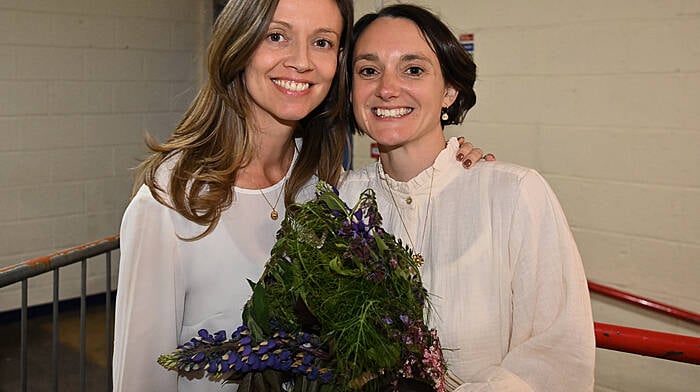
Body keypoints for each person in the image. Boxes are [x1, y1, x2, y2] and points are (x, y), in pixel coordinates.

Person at [112, 0, 489, 391]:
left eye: (322, 42)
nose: (302, 61)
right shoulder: (172, 201)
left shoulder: (327, 186)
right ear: (238, 44)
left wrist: (455, 168)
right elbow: (141, 379)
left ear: (338, 60)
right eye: (277, 36)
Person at [338, 4, 596, 391]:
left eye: (413, 69)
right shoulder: (340, 199)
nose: (386, 88)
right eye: (369, 70)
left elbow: (556, 358)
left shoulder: (513, 194)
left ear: (449, 91)